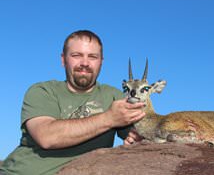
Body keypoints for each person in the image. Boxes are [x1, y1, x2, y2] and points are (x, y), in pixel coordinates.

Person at [0, 30, 145, 175]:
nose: (85, 63)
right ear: (63, 60)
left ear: (101, 62)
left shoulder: (114, 96)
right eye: (76, 55)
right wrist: (109, 118)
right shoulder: (43, 91)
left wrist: (135, 139)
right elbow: (46, 137)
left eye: (93, 57)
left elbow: (139, 133)